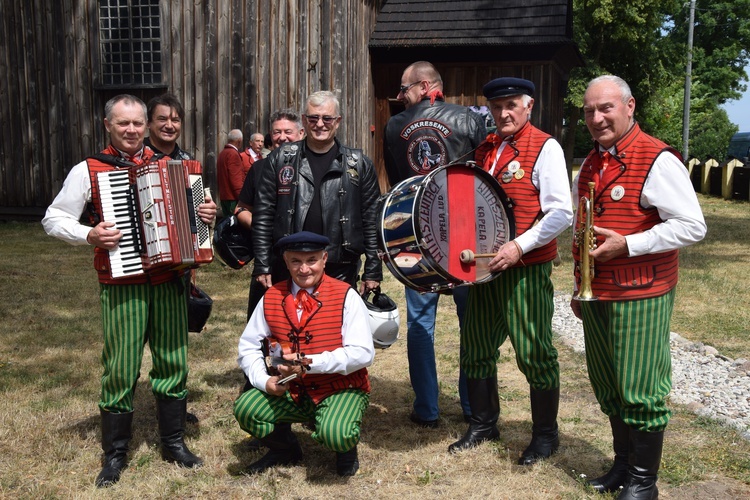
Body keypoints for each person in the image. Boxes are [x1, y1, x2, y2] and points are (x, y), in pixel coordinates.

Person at [41, 94, 217, 487]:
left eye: (138, 123)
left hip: (171, 280)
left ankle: (173, 443)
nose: (133, 130)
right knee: (120, 367)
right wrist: (89, 233)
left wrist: (206, 213)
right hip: (123, 283)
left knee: (173, 359)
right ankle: (115, 453)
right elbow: (53, 218)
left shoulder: (174, 166)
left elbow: (199, 214)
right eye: (124, 124)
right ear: (108, 125)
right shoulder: (90, 170)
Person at [571, 75, 706, 498]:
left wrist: (629, 244)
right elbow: (583, 230)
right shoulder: (592, 161)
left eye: (606, 108)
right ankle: (624, 467)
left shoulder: (657, 158)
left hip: (641, 291)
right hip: (598, 293)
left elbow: (692, 226)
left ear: (630, 107)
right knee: (609, 383)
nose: (597, 117)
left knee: (641, 388)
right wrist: (580, 284)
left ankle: (644, 483)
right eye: (590, 110)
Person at [449, 77, 573, 467]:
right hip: (484, 270)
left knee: (535, 352)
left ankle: (545, 436)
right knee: (476, 348)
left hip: (525, 270)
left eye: (511, 105)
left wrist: (519, 246)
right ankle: (484, 424)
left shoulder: (545, 146)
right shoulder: (486, 148)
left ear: (528, 105)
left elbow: (562, 213)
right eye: (496, 106)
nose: (503, 113)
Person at [383, 61, 486, 427]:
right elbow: (482, 178)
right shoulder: (471, 120)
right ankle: (474, 406)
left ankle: (427, 408)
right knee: (469, 323)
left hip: (417, 233)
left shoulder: (395, 126)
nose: (400, 96)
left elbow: (398, 183)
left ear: (424, 85)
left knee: (421, 324)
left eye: (404, 89)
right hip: (466, 233)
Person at [233, 231, 374, 476]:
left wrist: (309, 364)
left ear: (324, 259)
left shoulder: (346, 295)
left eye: (311, 260)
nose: (304, 269)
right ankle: (285, 449)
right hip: (293, 390)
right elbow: (248, 345)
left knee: (336, 433)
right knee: (247, 409)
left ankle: (345, 447)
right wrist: (264, 381)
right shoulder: (272, 296)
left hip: (340, 386)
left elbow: (363, 353)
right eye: (296, 261)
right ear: (286, 262)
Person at [252, 91, 382, 301]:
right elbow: (263, 214)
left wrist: (373, 269)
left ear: (337, 121)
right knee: (287, 329)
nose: (320, 124)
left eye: (327, 118)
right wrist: (262, 263)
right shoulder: (280, 159)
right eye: (313, 118)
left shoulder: (358, 163)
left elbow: (372, 219)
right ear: (304, 121)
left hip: (339, 265)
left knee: (333, 329)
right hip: (289, 264)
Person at [235, 109, 306, 319]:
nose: (282, 137)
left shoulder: (311, 166)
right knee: (265, 323)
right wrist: (263, 226)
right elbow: (241, 209)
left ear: (301, 133)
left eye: (288, 131)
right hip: (269, 257)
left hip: (304, 258)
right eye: (276, 132)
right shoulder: (259, 168)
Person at [144, 93, 192, 160]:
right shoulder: (134, 157)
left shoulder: (187, 161)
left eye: (175, 120)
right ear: (148, 123)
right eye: (162, 119)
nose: (169, 126)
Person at [217, 128, 245, 215]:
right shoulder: (233, 154)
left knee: (227, 224)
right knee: (235, 226)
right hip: (233, 198)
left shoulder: (222, 153)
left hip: (224, 197)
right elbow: (235, 179)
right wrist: (242, 199)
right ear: (239, 141)